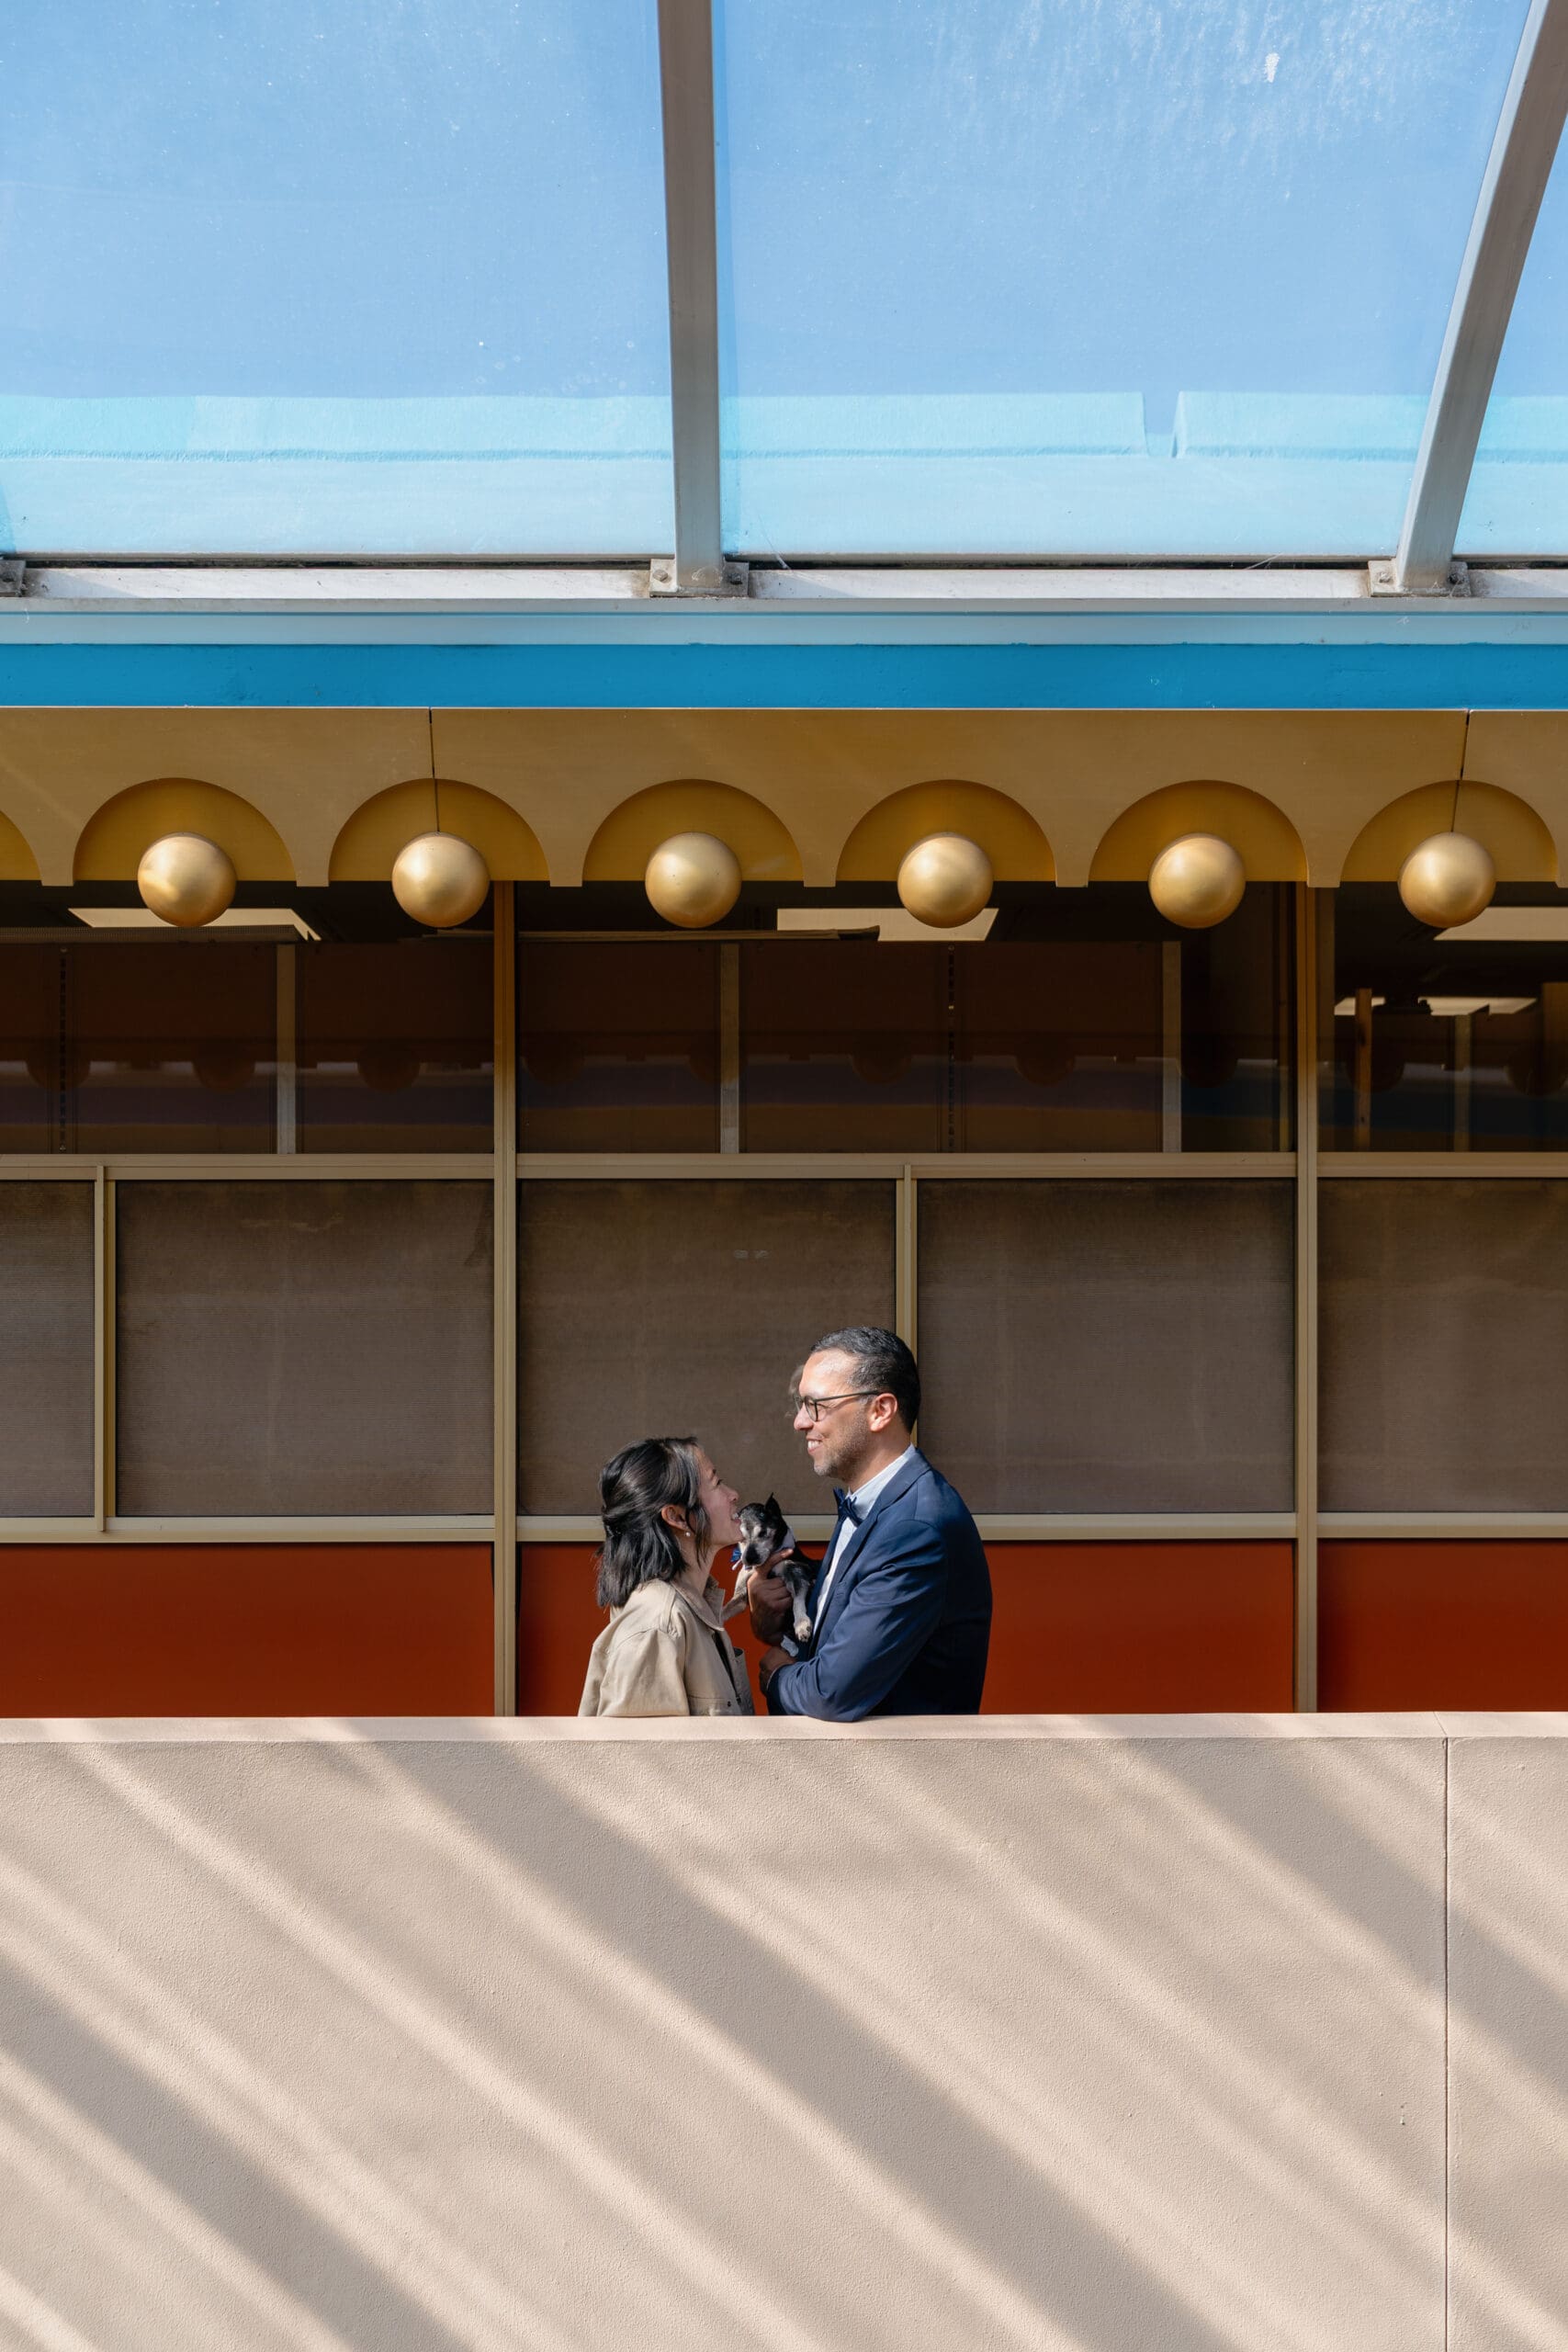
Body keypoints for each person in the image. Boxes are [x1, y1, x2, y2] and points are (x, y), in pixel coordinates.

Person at [748, 1327, 991, 1719]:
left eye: (816, 1405)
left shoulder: (915, 1529)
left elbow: (832, 1692)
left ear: (880, 1410)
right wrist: (777, 1621)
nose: (799, 1422)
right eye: (799, 1404)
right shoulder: (872, 1502)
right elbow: (842, 1630)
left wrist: (777, 1676)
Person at [579, 1438, 755, 1717]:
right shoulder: (658, 1625)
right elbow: (640, 1759)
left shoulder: (689, 1608)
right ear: (676, 1517)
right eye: (716, 1483)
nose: (732, 1494)